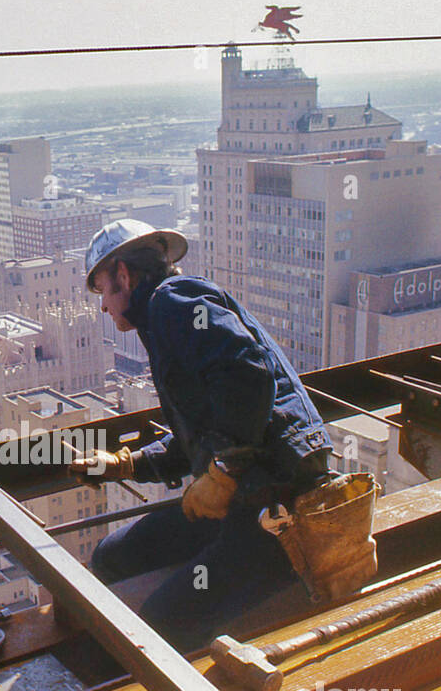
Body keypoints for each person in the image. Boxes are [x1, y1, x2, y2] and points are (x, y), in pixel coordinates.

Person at [69, 219, 336, 652]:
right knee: (112, 556)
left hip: (280, 508)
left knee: (161, 625)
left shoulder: (173, 302)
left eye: (102, 291)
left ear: (122, 274)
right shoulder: (164, 319)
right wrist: (127, 463)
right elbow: (199, 438)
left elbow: (249, 374)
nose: (103, 307)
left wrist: (223, 472)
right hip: (241, 498)